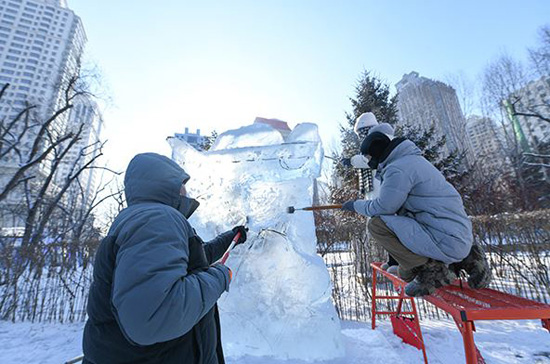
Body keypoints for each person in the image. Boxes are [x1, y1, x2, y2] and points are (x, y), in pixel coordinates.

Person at [83, 152, 247, 364]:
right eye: (182, 183)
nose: (186, 190)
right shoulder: (157, 218)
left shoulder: (141, 219)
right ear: (167, 183)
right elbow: (152, 317)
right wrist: (220, 276)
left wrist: (230, 237)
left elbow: (191, 263)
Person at [341, 131, 491, 296]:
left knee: (376, 224)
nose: (369, 162)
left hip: (444, 237)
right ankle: (470, 258)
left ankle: (431, 270)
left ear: (377, 153)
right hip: (460, 235)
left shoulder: (397, 169)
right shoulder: (412, 160)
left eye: (369, 158)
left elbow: (384, 207)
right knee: (406, 269)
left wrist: (355, 205)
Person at [342, 112, 399, 272]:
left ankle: (399, 263)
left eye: (362, 132)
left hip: (387, 191)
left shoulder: (382, 139)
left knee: (390, 228)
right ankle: (394, 261)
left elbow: (370, 159)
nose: (361, 136)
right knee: (385, 228)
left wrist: (352, 161)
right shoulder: (377, 139)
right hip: (379, 192)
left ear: (368, 128)